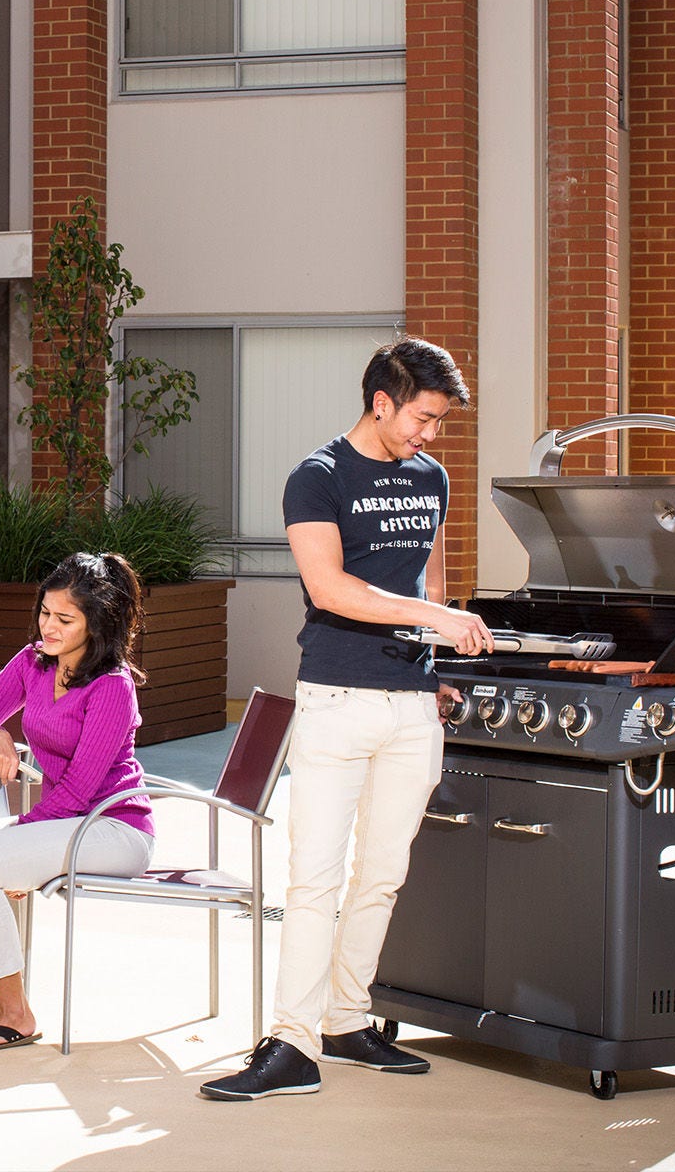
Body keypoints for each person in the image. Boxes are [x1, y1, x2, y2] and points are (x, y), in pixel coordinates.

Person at [202, 336, 491, 1101]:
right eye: (423, 417)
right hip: (336, 699)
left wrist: (440, 663)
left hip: (413, 705)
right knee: (315, 880)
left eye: (439, 421)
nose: (430, 434)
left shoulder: (431, 478)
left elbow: (430, 581)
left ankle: (346, 1020)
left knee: (382, 876)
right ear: (382, 403)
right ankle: (292, 1042)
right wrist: (435, 616)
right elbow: (329, 588)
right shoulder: (319, 476)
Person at [0, 552, 156, 1053]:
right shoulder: (33, 661)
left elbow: (79, 791)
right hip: (62, 823)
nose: (49, 626)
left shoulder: (112, 687)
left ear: (97, 623)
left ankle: (16, 1013)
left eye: (65, 619)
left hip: (112, 828)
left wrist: (20, 847)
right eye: (45, 613)